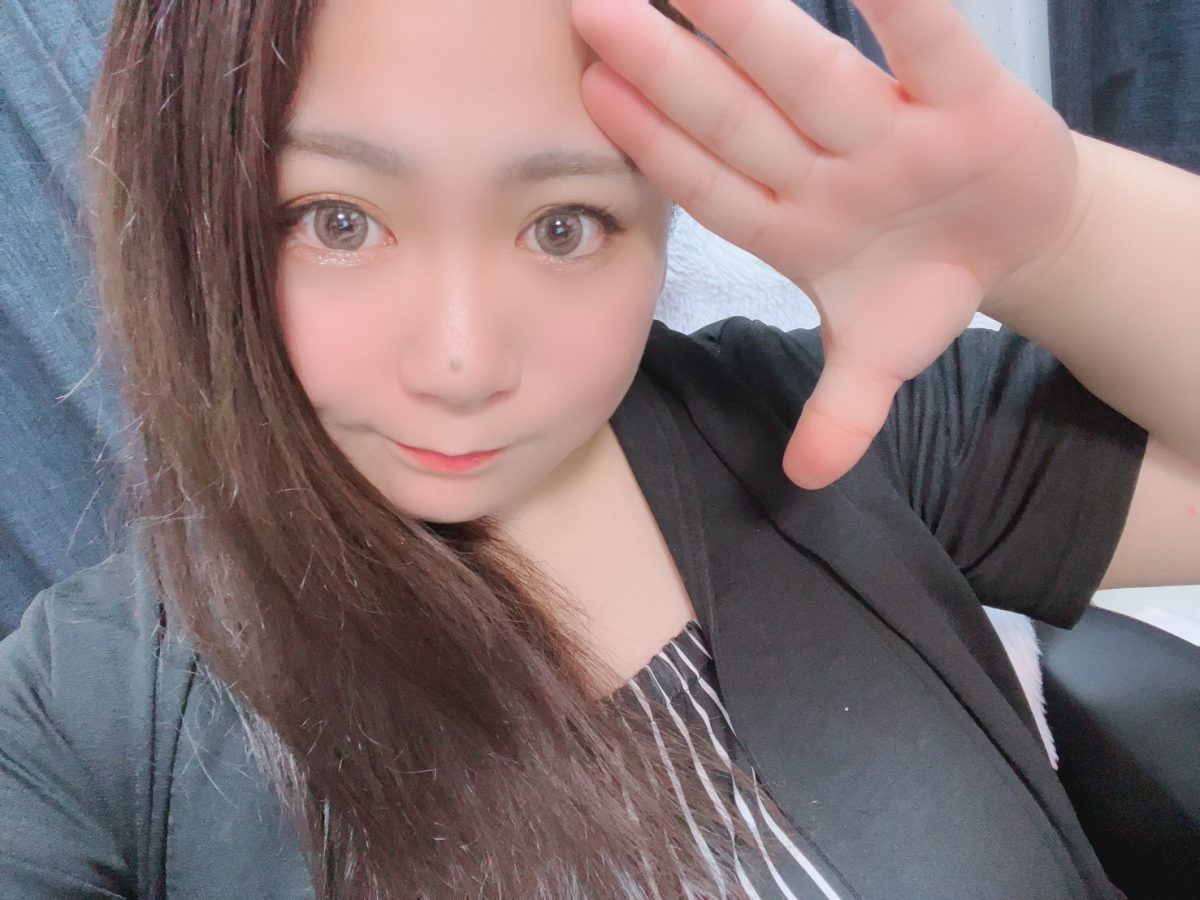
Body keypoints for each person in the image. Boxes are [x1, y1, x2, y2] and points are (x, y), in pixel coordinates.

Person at [1, 0, 1197, 896]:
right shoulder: (84, 712)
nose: (462, 365)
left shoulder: (816, 428)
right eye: (340, 221)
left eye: (563, 226)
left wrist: (1064, 236)